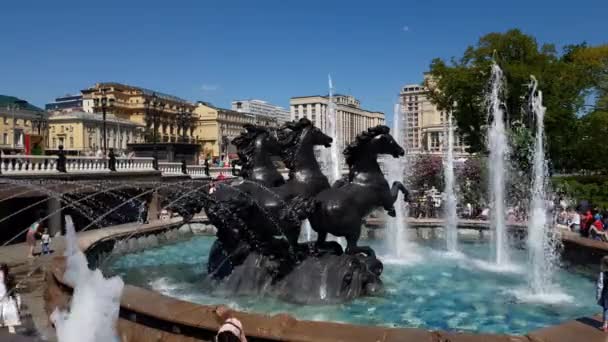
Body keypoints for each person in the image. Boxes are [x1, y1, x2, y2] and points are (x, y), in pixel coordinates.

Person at [0, 264, 21, 333]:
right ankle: (2, 322)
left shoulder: (9, 277)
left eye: (2, 270)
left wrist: (15, 286)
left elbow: (13, 285)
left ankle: (10, 324)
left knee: (8, 311)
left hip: (7, 296)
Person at [598, 256, 608, 332]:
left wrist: (598, 296)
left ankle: (605, 326)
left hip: (606, 295)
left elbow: (600, 286)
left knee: (606, 310)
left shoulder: (602, 274)